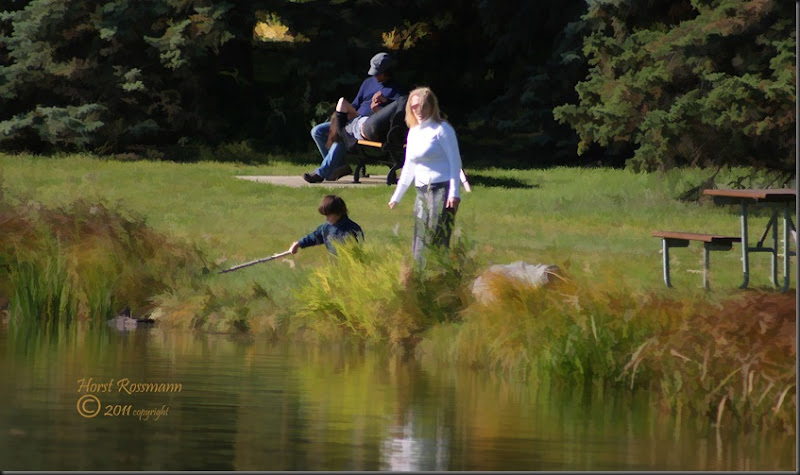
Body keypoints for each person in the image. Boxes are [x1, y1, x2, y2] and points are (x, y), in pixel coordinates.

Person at [388, 87, 464, 265]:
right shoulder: (414, 132)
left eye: (423, 106)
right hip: (422, 190)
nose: (419, 111)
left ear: (432, 107)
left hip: (442, 189)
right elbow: (409, 166)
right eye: (415, 107)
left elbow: (455, 162)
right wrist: (397, 196)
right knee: (420, 235)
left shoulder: (442, 129)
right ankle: (419, 274)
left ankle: (439, 273)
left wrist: (454, 192)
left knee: (436, 235)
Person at [305, 52, 407, 183]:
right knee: (317, 131)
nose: (375, 76)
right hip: (353, 119)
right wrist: (345, 113)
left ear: (387, 72)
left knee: (342, 135)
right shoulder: (368, 83)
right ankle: (339, 166)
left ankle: (322, 172)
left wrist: (385, 101)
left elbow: (395, 117)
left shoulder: (397, 90)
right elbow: (355, 104)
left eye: (378, 73)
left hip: (368, 128)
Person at [289, 195, 364, 255]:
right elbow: (315, 237)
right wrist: (298, 244)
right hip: (334, 263)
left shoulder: (353, 229)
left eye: (328, 215)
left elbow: (359, 249)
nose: (326, 219)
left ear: (338, 213)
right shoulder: (326, 227)